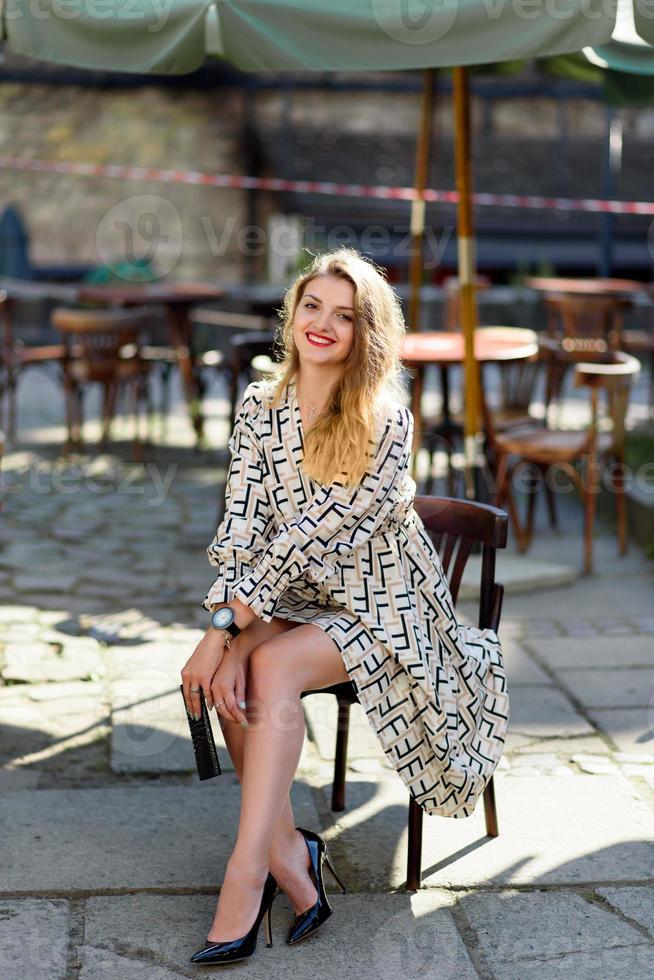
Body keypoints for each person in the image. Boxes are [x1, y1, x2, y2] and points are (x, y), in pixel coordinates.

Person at [181, 247, 508, 965]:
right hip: (297, 594)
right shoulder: (258, 407)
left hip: (386, 605)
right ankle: (291, 853)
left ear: (369, 333)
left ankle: (247, 877)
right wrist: (220, 629)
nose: (323, 324)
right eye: (313, 306)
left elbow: (309, 535)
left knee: (263, 664)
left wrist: (230, 625)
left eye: (346, 315)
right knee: (221, 671)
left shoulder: (384, 419)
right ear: (292, 312)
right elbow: (243, 522)